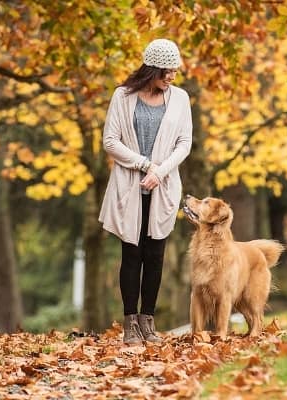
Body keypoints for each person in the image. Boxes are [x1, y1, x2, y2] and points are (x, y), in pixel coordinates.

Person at [98, 39, 192, 345]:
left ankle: (148, 320)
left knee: (156, 255)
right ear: (152, 69)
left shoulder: (180, 99)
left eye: (175, 72)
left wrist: (159, 172)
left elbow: (184, 144)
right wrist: (144, 165)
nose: (172, 77)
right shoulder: (122, 96)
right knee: (132, 253)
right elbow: (111, 140)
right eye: (167, 72)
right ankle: (130, 323)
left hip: (162, 187)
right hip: (130, 186)